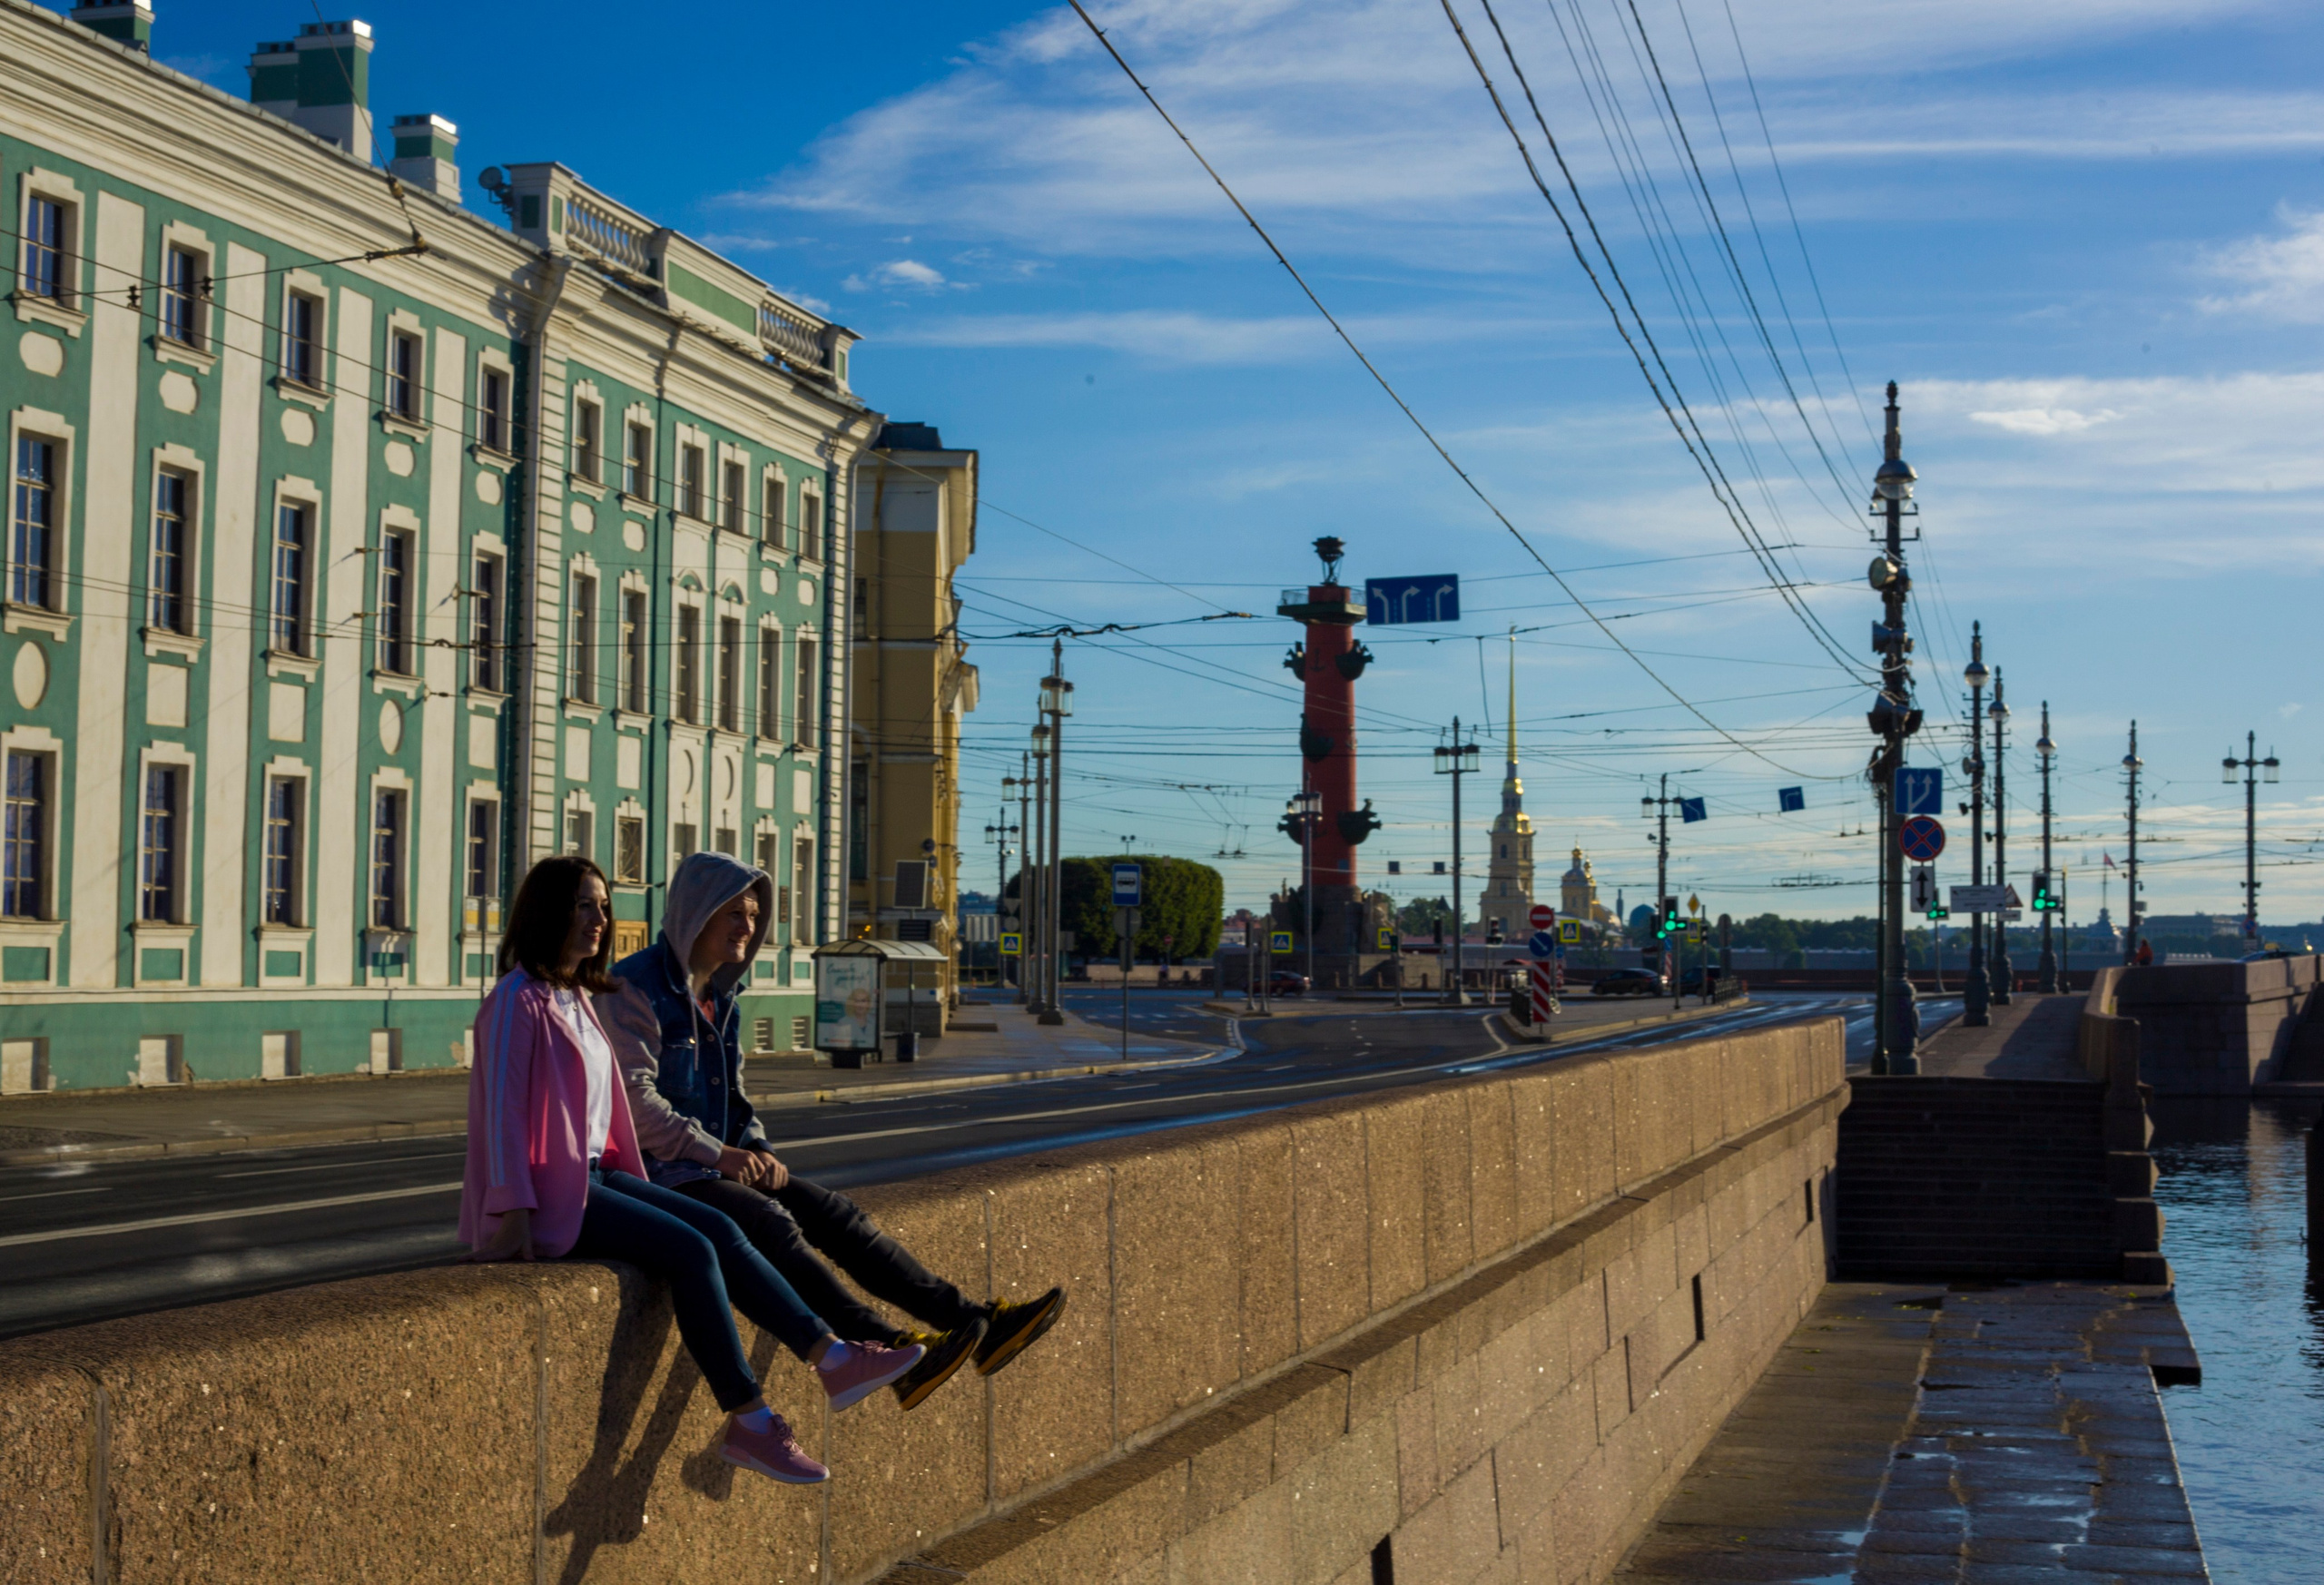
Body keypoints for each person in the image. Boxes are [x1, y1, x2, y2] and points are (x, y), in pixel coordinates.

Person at [460, 855, 924, 1486]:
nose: (599, 919)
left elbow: (605, 1113)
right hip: (553, 1192)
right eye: (583, 905)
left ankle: (834, 1358)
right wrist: (512, 1212)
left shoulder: (576, 997)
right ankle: (752, 1419)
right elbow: (502, 1114)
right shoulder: (516, 1000)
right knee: (692, 1249)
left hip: (601, 1177)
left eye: (603, 906)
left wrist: (642, 1183)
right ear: (546, 912)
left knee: (722, 1228)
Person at [604, 851, 1067, 1412]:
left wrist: (756, 1145)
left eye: (754, 916)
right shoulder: (633, 987)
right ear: (696, 913)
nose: (748, 927)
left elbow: (734, 1096)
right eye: (735, 914)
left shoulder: (721, 998)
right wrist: (720, 1154)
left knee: (834, 1213)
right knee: (768, 1221)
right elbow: (635, 1103)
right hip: (660, 1175)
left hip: (716, 1163)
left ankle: (974, 1323)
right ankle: (888, 1349)